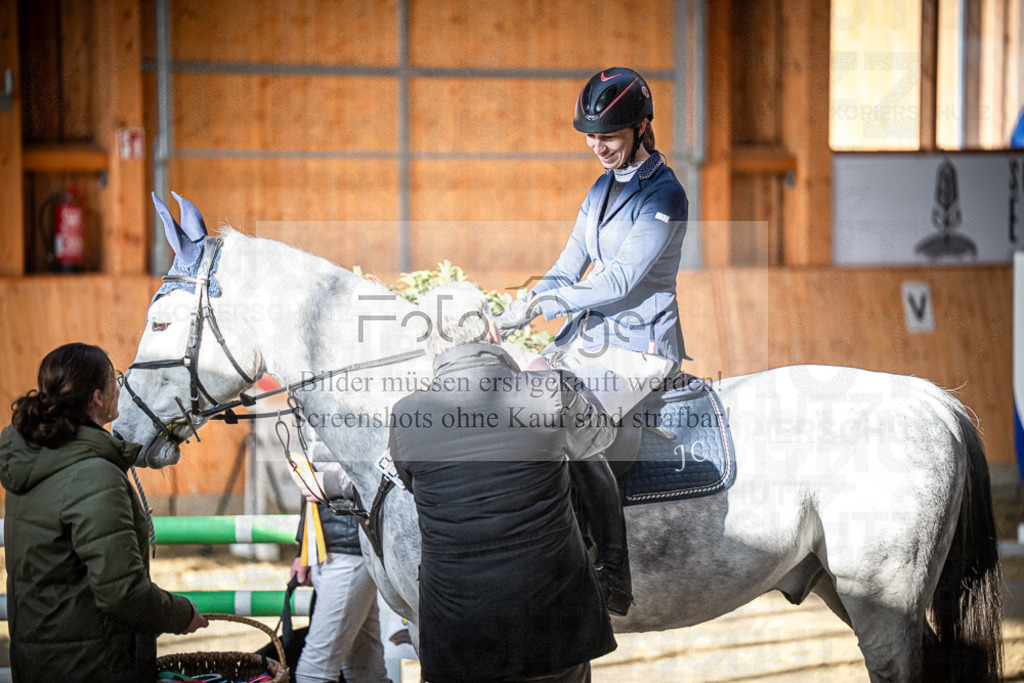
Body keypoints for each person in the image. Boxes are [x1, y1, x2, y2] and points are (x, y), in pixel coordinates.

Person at [389, 283, 631, 683]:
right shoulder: (548, 390)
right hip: (554, 621)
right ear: (491, 329)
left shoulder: (405, 414)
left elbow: (415, 485)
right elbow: (600, 441)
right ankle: (617, 576)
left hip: (457, 630)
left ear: (430, 345)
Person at [0, 343, 207, 682]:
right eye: (116, 380)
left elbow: (64, 544)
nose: (119, 389)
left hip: (41, 659)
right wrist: (181, 614)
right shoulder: (94, 473)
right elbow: (121, 592)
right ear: (98, 397)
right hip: (92, 665)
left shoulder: (36, 459)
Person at [497, 66, 689, 426]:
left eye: (610, 137)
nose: (598, 148)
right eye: (591, 137)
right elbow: (566, 270)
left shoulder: (665, 195)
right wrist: (512, 313)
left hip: (636, 345)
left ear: (641, 127)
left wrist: (540, 305)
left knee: (554, 421)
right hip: (584, 336)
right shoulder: (600, 189)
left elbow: (619, 281)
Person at [289, 435, 390, 683]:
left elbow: (384, 476)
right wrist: (305, 549)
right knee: (364, 669)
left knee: (312, 673)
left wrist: (331, 483)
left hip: (352, 548)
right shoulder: (309, 415)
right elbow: (309, 485)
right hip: (329, 549)